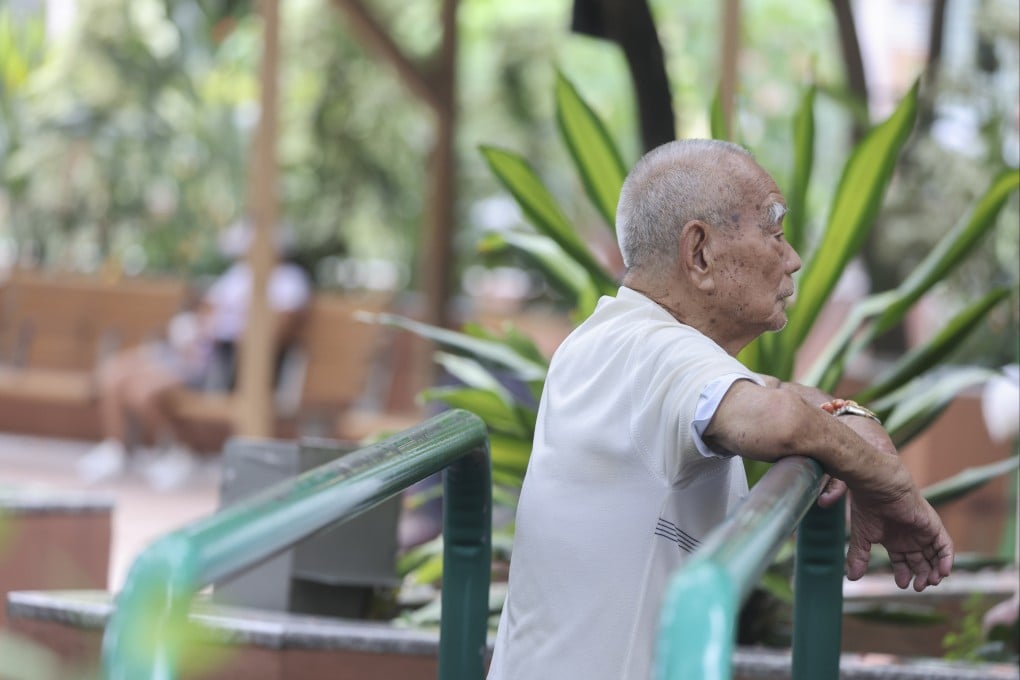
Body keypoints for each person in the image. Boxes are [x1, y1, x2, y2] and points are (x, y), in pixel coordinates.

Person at [487, 140, 954, 680]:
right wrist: (891, 486)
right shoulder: (649, 351)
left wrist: (852, 417)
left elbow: (785, 394)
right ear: (700, 253)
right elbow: (779, 419)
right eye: (774, 233)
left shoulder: (629, 341)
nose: (793, 258)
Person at [77, 221, 312, 488]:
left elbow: (274, 334)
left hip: (223, 364)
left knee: (142, 391)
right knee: (114, 373)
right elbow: (206, 313)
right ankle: (117, 450)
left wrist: (225, 331)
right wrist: (195, 330)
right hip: (194, 351)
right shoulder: (238, 275)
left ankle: (185, 452)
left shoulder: (290, 282)